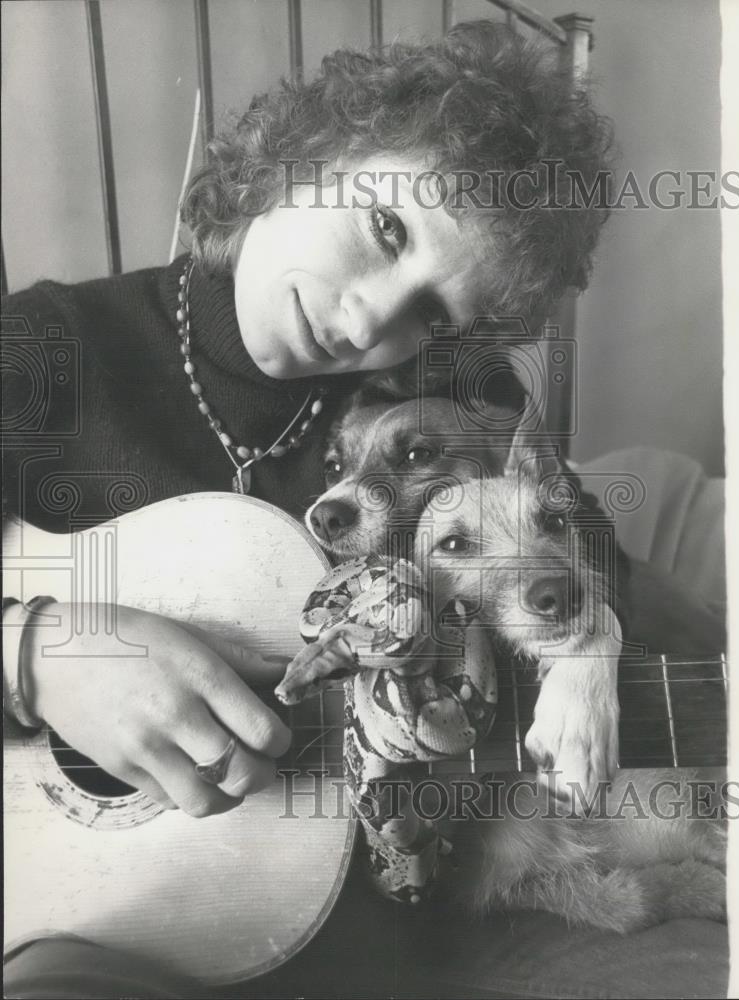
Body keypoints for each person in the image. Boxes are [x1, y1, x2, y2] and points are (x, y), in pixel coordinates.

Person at [1, 19, 618, 998]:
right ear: (308, 153)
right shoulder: (41, 348)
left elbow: (585, 560)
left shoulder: (450, 390)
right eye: (383, 229)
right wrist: (33, 653)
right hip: (83, 933)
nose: (371, 320)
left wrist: (585, 650)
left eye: (429, 311)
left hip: (361, 927)